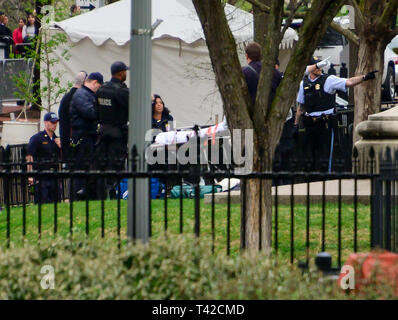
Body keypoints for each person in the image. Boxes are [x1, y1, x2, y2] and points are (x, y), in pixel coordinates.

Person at [295, 56, 377, 172]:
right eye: (317, 66)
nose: (320, 69)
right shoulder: (304, 84)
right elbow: (301, 107)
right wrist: (295, 125)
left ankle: (326, 178)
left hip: (325, 124)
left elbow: (348, 82)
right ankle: (311, 181)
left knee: (326, 154)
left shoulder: (329, 80)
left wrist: (364, 77)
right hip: (310, 125)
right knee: (310, 157)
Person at [95, 61, 130, 198]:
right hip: (117, 133)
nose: (126, 74)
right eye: (125, 71)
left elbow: (96, 111)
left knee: (104, 166)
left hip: (103, 132)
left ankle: (105, 192)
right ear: (121, 73)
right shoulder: (121, 91)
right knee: (118, 166)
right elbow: (134, 107)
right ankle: (116, 192)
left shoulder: (102, 90)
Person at [70, 72, 103, 199]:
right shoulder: (81, 95)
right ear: (94, 82)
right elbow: (90, 113)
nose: (98, 89)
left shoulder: (85, 94)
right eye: (99, 86)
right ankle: (80, 195)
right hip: (84, 139)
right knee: (84, 170)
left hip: (87, 137)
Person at [26, 112, 61, 203]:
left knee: (56, 203)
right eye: (52, 122)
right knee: (43, 204)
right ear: (46, 123)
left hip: (54, 176)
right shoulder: (37, 138)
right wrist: (30, 175)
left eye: (56, 122)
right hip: (41, 177)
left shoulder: (56, 139)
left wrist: (61, 147)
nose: (55, 125)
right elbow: (29, 156)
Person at [58, 71, 87, 162]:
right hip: (76, 144)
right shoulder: (79, 97)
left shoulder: (65, 98)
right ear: (84, 82)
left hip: (66, 141)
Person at [242, 41, 282, 106]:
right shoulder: (274, 71)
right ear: (260, 55)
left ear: (246, 56)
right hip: (271, 110)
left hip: (252, 111)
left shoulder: (244, 72)